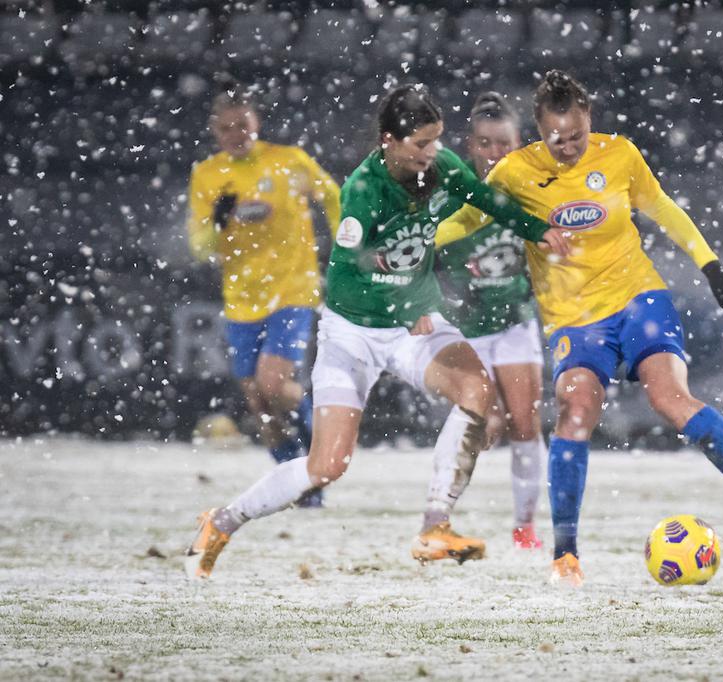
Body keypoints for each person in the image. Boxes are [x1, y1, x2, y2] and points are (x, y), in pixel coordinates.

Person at [185, 85, 569, 579]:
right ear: (389, 140)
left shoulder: (442, 164)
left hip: (412, 326)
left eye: (436, 141)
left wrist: (539, 230)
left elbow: (490, 200)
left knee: (477, 392)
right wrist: (405, 303)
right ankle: (222, 521)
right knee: (326, 466)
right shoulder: (363, 190)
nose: (433, 153)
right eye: (422, 145)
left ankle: (436, 525)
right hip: (353, 333)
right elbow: (353, 268)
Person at [439, 71, 723, 587]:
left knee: (671, 399)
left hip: (638, 299)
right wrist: (420, 242)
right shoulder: (516, 171)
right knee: (575, 411)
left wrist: (711, 265)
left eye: (577, 136)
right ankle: (566, 556)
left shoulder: (619, 155)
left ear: (590, 122)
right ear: (539, 130)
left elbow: (663, 209)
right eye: (556, 138)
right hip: (574, 320)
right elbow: (469, 218)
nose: (567, 147)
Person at [187, 89, 340, 507]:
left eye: (243, 124)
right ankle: (301, 487)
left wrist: (345, 242)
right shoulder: (208, 175)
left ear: (257, 123)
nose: (236, 133)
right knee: (260, 404)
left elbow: (332, 195)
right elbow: (200, 247)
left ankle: (319, 448)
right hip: (241, 301)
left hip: (293, 290)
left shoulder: (290, 161)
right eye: (226, 127)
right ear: (214, 132)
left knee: (273, 384)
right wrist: (218, 221)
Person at [435, 93, 545, 550]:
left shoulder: (536, 191)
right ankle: (438, 517)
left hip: (516, 322)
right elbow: (420, 253)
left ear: (520, 144)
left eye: (503, 143)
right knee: (483, 424)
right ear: (471, 146)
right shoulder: (450, 194)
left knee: (526, 423)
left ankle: (525, 527)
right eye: (485, 144)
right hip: (466, 327)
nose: (495, 153)